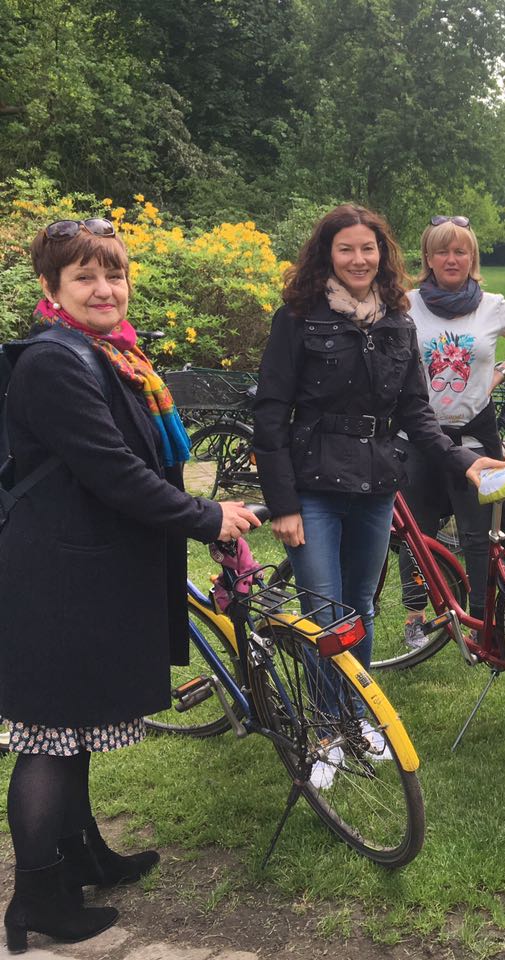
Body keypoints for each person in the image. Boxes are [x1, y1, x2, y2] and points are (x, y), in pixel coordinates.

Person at [0, 219, 259, 950]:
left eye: (112, 274)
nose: (104, 289)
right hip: (57, 580)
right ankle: (38, 899)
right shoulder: (57, 362)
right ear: (52, 289)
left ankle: (82, 857)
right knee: (52, 736)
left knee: (74, 727)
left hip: (82, 568)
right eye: (84, 277)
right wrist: (208, 517)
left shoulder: (108, 355)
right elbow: (118, 475)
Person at [252, 204, 505, 786]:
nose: (359, 260)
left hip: (375, 487)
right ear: (327, 255)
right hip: (313, 487)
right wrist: (284, 504)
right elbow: (270, 414)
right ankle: (323, 728)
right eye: (346, 249)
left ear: (383, 255)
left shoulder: (396, 318)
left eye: (369, 249)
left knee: (361, 608)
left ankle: (356, 713)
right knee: (325, 612)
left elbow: (417, 411)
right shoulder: (298, 317)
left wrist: (462, 460)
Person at [400, 215, 505, 645]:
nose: (452, 258)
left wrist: (500, 372)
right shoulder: (406, 304)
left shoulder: (493, 306)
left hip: (475, 436)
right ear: (428, 257)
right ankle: (416, 616)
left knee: (481, 534)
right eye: (442, 250)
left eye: (460, 250)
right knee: (416, 534)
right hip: (418, 437)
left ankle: (486, 622)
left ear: (472, 257)